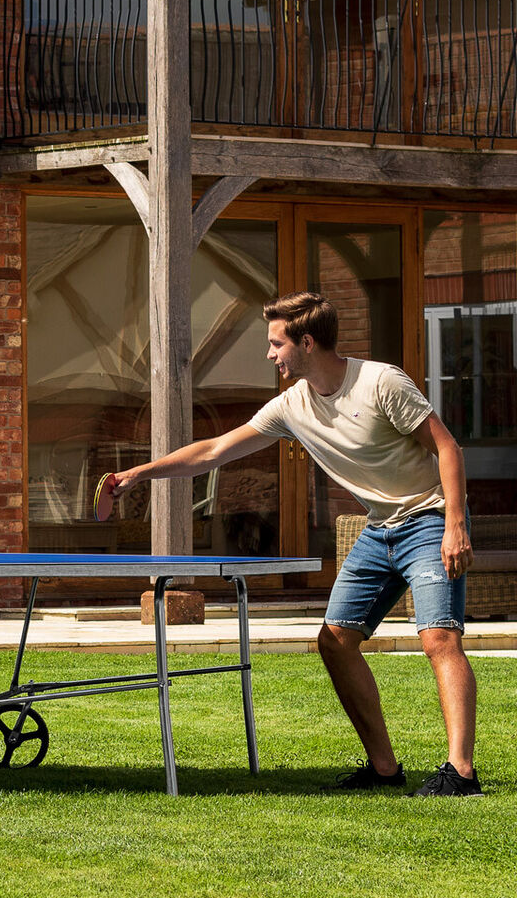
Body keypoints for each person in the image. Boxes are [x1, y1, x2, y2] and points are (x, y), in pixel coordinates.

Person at [95, 290, 481, 797]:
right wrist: (138, 474)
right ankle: (384, 768)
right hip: (378, 525)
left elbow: (446, 446)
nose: (270, 354)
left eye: (276, 343)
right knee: (335, 641)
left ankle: (461, 773)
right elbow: (214, 450)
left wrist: (455, 524)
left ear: (306, 342)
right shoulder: (292, 405)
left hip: (429, 517)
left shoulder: (380, 382)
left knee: (439, 638)